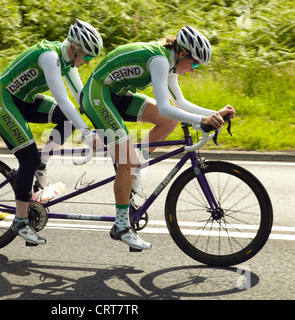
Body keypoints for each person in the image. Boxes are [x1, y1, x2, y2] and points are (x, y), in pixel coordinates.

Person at [81, 25, 236, 250]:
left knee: (168, 123)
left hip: (117, 94)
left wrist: (212, 113)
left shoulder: (170, 62)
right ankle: (122, 227)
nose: (193, 69)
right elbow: (164, 106)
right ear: (182, 53)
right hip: (98, 96)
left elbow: (178, 104)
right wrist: (200, 121)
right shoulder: (160, 61)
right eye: (193, 63)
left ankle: (135, 169)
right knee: (127, 162)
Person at [0, 19, 103, 245]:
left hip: (24, 100)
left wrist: (101, 125)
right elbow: (64, 100)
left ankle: (42, 164)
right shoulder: (50, 57)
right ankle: (20, 222)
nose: (87, 62)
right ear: (74, 48)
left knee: (65, 122)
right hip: (3, 101)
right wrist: (87, 133)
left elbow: (81, 98)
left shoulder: (67, 62)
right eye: (86, 56)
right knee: (27, 159)